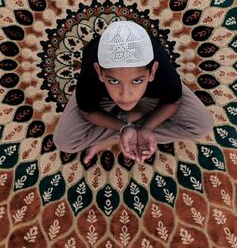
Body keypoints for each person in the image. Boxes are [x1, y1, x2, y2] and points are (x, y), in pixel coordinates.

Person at [53, 20, 214, 164]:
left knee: (202, 126)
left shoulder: (163, 73)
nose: (125, 95)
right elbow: (87, 111)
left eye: (137, 80)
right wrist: (123, 128)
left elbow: (174, 101)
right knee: (65, 142)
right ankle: (127, 130)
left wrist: (148, 128)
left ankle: (119, 135)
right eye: (114, 81)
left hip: (155, 93)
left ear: (152, 72)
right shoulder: (90, 76)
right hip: (102, 95)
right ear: (100, 72)